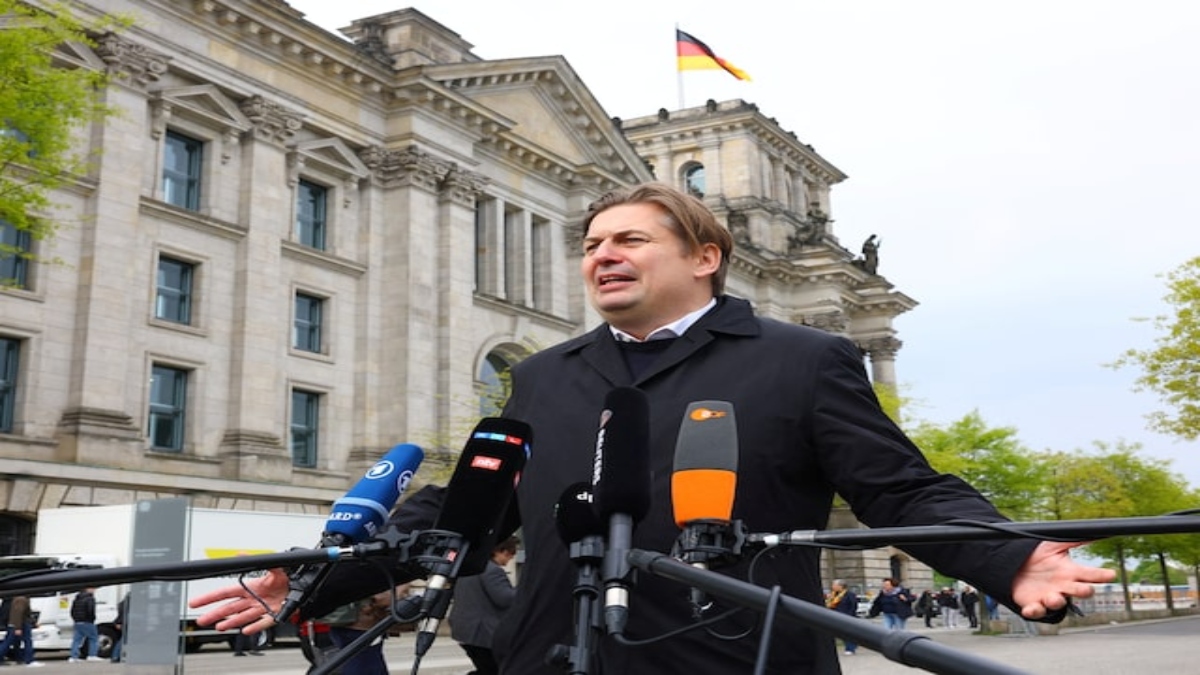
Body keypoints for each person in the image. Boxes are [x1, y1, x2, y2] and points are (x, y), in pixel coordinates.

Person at [191, 182, 1116, 674]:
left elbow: (900, 486)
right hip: (555, 655)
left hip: (733, 656)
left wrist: (1007, 554)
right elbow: (470, 514)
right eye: (592, 245)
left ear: (705, 257)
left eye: (629, 239)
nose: (602, 255)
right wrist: (317, 582)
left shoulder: (799, 358)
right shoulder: (546, 374)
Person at [450, 536, 519, 674]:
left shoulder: (472, 567)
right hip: (482, 632)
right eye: (510, 555)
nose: (510, 559)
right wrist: (525, 588)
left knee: (487, 669)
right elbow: (505, 599)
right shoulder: (492, 570)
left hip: (465, 630)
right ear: (501, 551)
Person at [0, 595, 43, 667]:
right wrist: (17, 628)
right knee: (26, 641)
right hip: (20, 624)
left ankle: (27, 659)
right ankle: (29, 660)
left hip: (18, 623)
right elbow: (18, 614)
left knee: (9, 642)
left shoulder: (19, 598)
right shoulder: (21, 599)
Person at [824, 580, 859, 655]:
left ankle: (850, 648)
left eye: (834, 585)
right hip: (834, 617)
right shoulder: (833, 595)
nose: (832, 587)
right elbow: (829, 605)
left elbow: (853, 606)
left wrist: (849, 616)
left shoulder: (849, 595)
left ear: (840, 586)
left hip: (846, 617)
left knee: (847, 633)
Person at [68, 587, 102, 662]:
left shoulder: (76, 599)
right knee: (94, 638)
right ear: (88, 589)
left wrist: (75, 619)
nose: (94, 590)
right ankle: (92, 655)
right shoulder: (90, 598)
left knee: (76, 640)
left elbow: (72, 611)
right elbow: (91, 610)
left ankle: (73, 657)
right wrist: (92, 619)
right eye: (93, 588)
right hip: (87, 621)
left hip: (77, 622)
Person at [110, 593, 130, 663]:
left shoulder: (122, 603)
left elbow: (120, 615)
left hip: (121, 622)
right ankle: (116, 656)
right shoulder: (129, 604)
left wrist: (118, 622)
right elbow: (124, 615)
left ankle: (116, 656)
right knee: (123, 640)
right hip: (126, 623)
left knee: (123, 640)